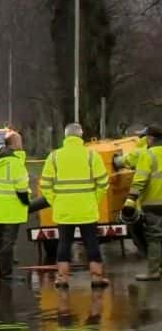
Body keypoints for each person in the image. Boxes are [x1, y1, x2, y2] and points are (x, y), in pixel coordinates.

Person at [40, 123, 110, 289]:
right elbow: (103, 183)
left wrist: (55, 201)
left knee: (64, 243)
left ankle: (63, 278)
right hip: (87, 208)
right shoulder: (91, 156)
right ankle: (96, 277)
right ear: (81, 136)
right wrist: (94, 199)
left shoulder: (54, 157)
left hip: (64, 209)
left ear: (65, 137)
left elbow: (45, 184)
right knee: (91, 242)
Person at [0, 131, 31, 280]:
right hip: (12, 208)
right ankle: (6, 273)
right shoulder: (15, 163)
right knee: (8, 241)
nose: (22, 143)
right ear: (14, 144)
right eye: (20, 141)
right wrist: (27, 202)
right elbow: (22, 188)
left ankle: (2, 269)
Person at [123, 126, 162, 281]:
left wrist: (130, 201)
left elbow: (140, 180)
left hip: (153, 203)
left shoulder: (148, 155)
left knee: (154, 237)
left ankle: (153, 271)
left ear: (151, 139)